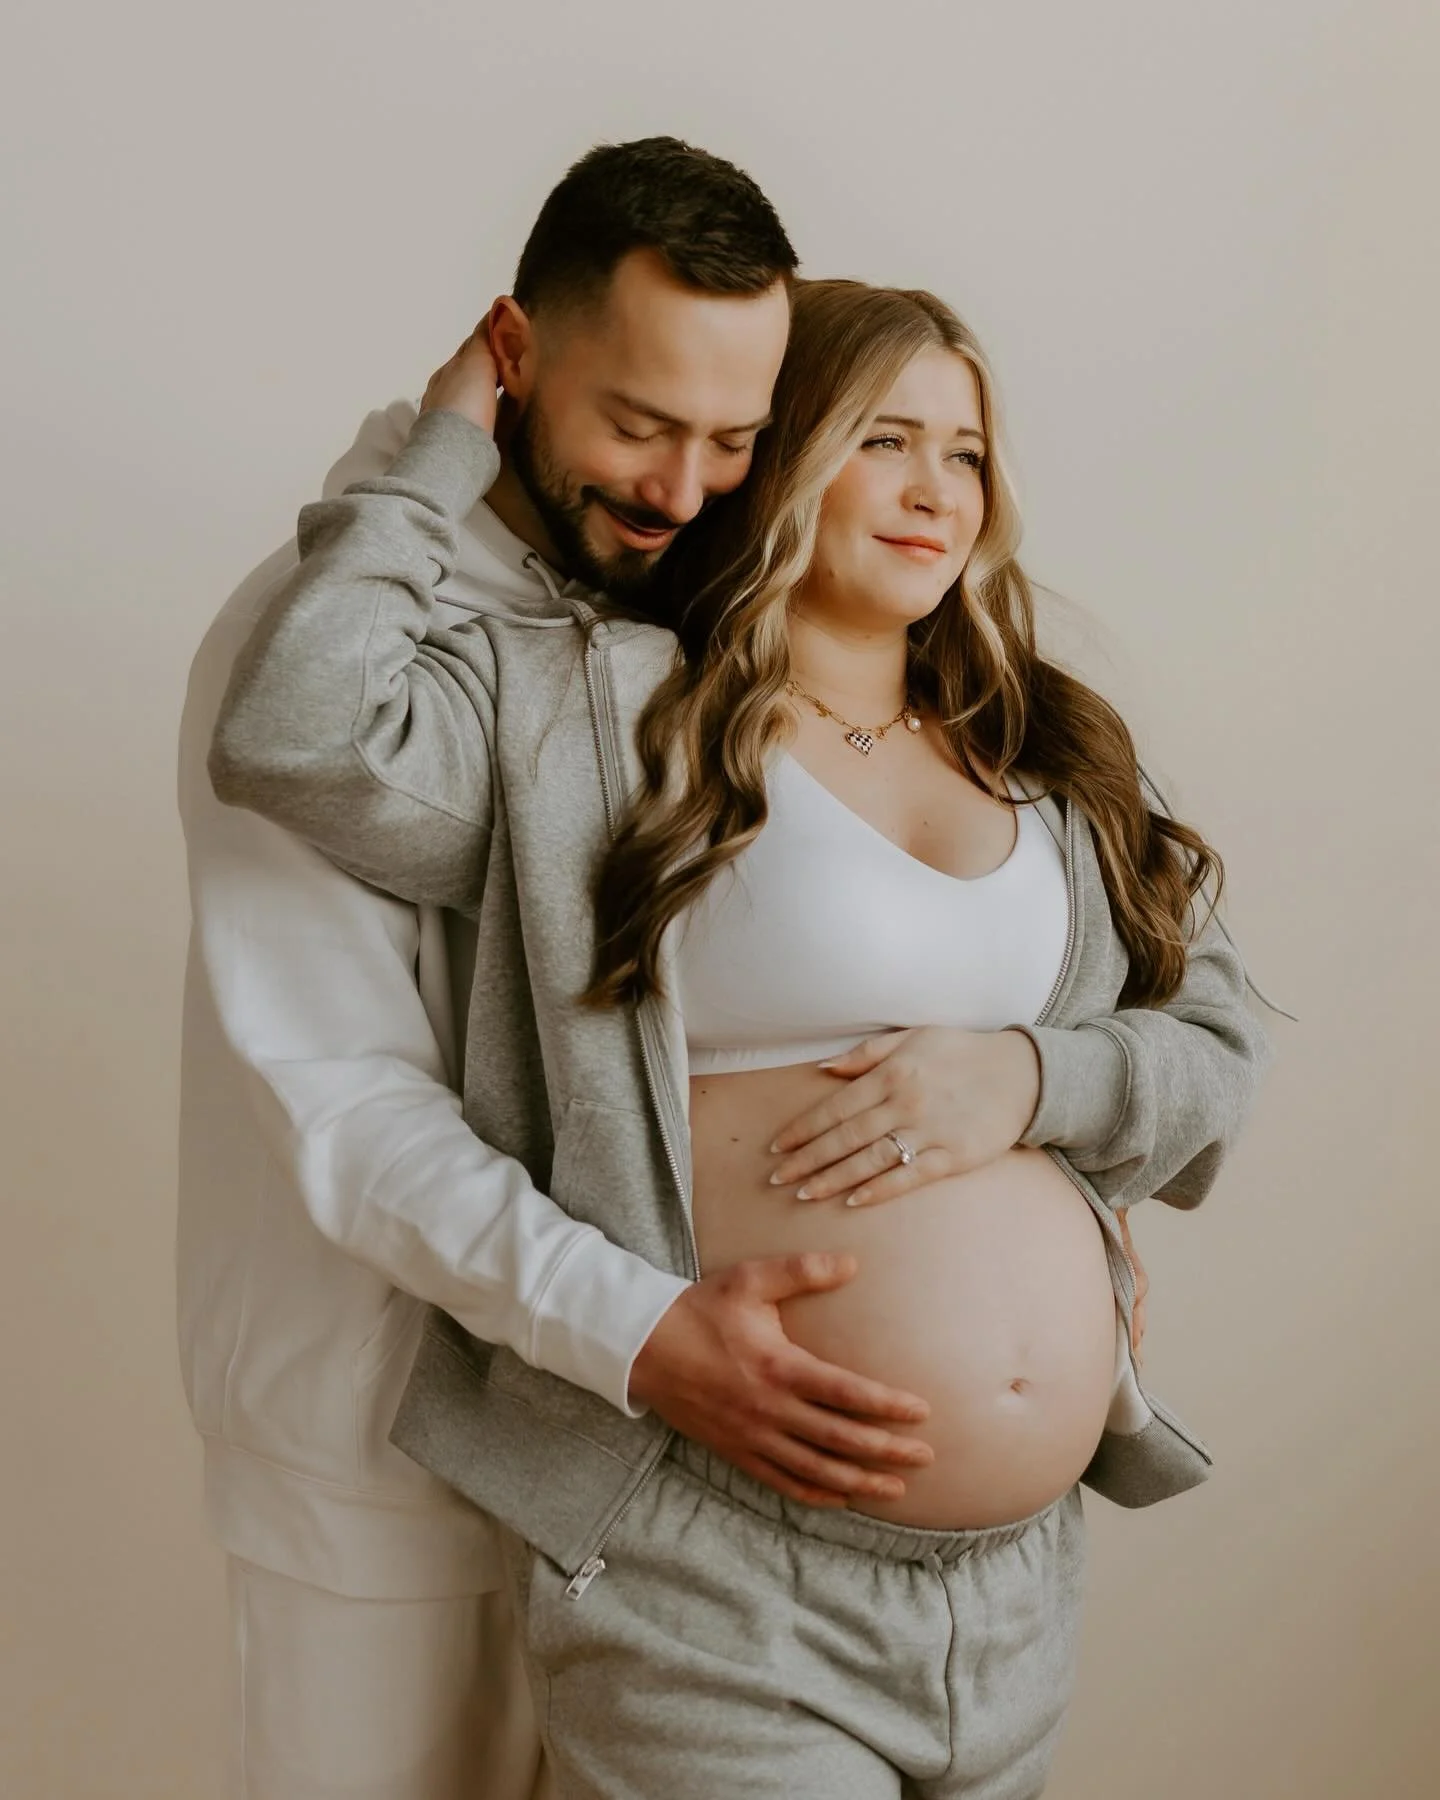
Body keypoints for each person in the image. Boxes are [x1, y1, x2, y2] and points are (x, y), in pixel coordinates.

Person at [208, 270, 1270, 1796]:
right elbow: (295, 733)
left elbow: (1216, 1044)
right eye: (883, 440)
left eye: (967, 452)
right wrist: (440, 446)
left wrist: (1036, 1078)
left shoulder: (1049, 744)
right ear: (778, 456)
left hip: (1017, 1588)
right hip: (709, 1548)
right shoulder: (601, 718)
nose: (937, 491)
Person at [175, 135, 817, 1800]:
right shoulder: (303, 642)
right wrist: (640, 1333)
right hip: (388, 1486)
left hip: (667, 1483)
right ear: (512, 357)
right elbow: (350, 1111)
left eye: (733, 439)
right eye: (639, 424)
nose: (683, 489)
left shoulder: (684, 616)